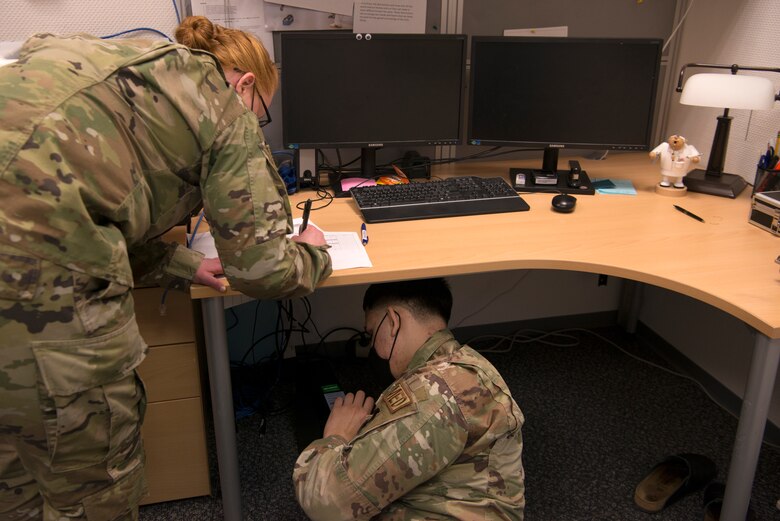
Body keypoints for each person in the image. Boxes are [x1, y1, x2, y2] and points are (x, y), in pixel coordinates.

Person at [0, 16, 331, 520]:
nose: (257, 125)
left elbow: (81, 205)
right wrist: (313, 252)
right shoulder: (222, 108)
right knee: (93, 492)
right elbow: (262, 271)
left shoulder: (118, 63)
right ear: (244, 84)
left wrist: (179, 263)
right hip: (38, 301)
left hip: (28, 263)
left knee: (14, 471)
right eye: (261, 113)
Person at [293, 278, 525, 520]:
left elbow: (325, 504)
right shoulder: (465, 363)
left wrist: (335, 436)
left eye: (372, 333)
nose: (373, 347)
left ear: (392, 322)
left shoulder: (433, 396)